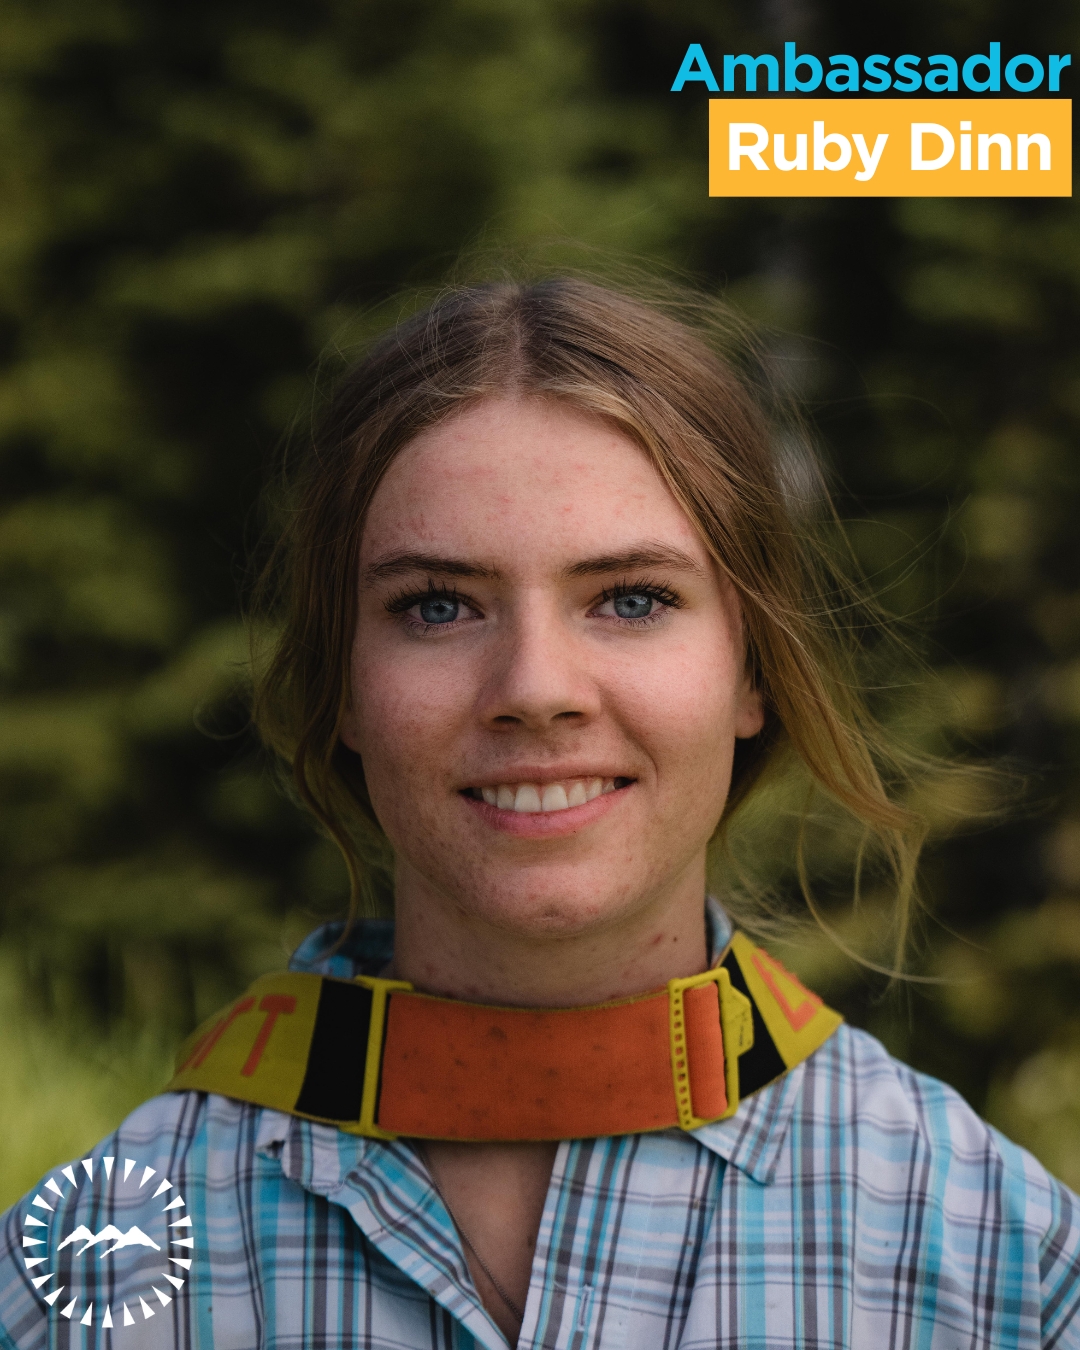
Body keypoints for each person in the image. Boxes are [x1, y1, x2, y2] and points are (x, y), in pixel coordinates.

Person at [1, 277, 1078, 1350]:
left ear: (752, 669)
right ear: (342, 687)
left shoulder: (999, 1262)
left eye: (632, 599)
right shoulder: (85, 1275)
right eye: (437, 606)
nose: (536, 685)